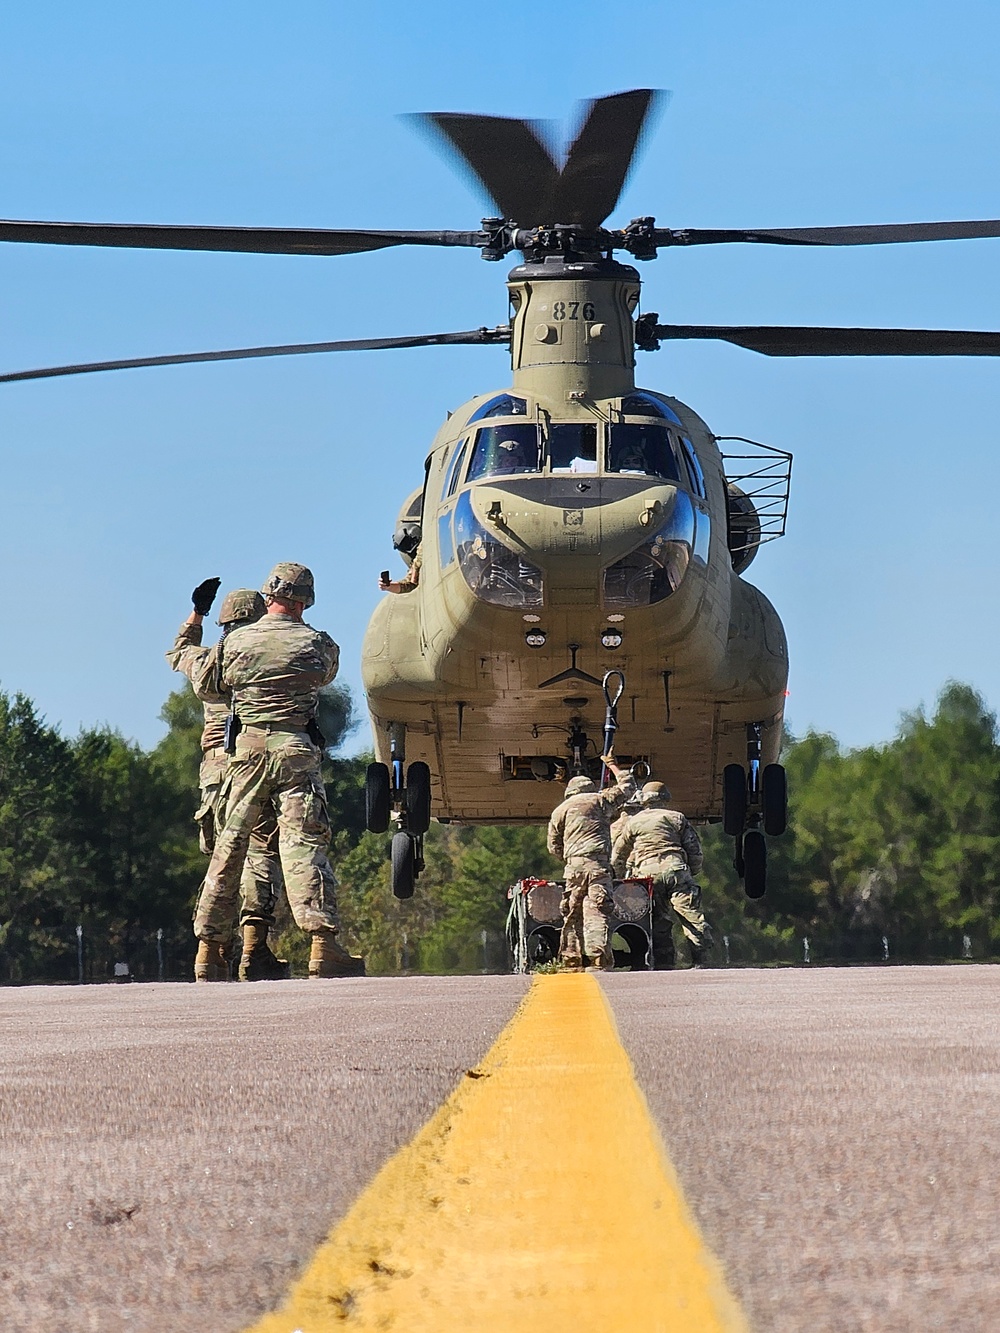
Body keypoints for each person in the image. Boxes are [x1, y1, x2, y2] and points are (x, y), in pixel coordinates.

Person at [186, 563, 364, 980]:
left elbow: (209, 687)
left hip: (246, 751)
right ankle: (322, 945)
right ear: (305, 600)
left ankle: (209, 951)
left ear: (269, 596)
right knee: (303, 843)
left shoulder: (235, 643)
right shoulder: (317, 644)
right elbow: (327, 674)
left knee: (230, 848)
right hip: (295, 749)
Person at [166, 579, 289, 982]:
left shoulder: (209, 660)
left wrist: (196, 612)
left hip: (214, 772)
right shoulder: (261, 656)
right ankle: (254, 947)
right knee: (260, 855)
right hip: (254, 762)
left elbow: (178, 651)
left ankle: (210, 952)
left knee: (222, 860)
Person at [611, 780, 714, 968]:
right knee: (691, 916)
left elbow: (618, 855)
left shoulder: (634, 822)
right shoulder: (677, 818)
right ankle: (702, 961)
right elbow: (694, 850)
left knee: (658, 921)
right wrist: (691, 872)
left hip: (647, 875)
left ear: (643, 800)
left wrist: (622, 880)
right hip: (675, 869)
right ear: (665, 798)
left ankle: (664, 965)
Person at [547, 757, 636, 970]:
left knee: (572, 912)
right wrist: (613, 764)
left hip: (574, 867)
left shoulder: (560, 810)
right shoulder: (600, 801)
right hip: (599, 865)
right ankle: (597, 959)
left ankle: (572, 959)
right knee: (597, 909)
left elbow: (553, 846)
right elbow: (628, 787)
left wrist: (570, 858)